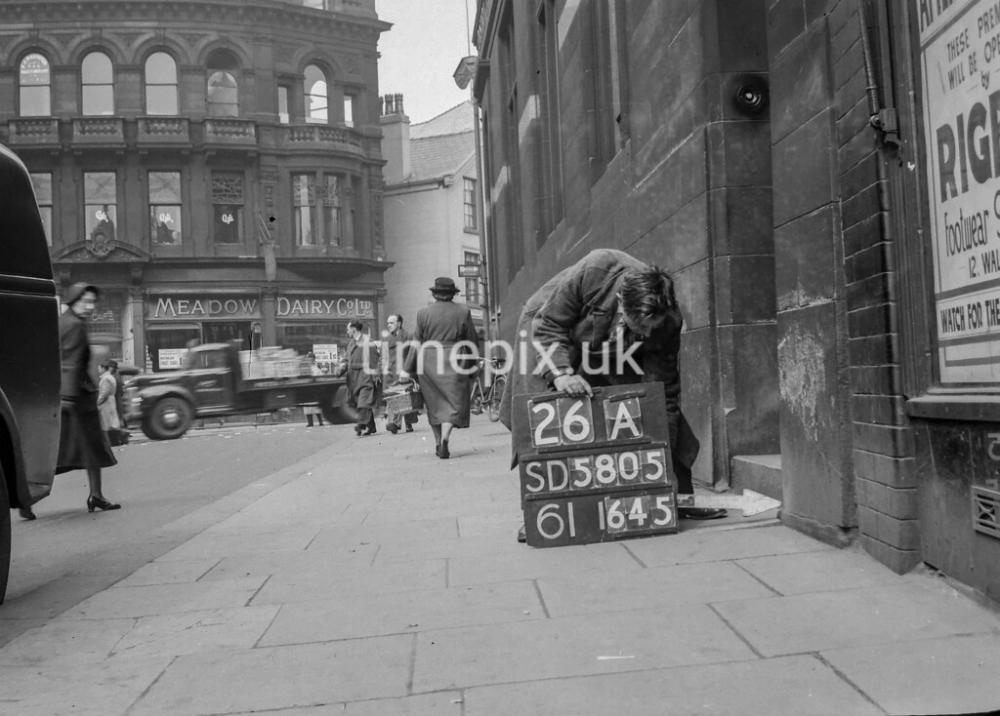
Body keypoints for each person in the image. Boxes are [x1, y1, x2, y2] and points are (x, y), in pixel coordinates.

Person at [500, 249, 725, 529]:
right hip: (546, 325)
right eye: (640, 327)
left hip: (607, 341)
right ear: (621, 302)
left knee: (649, 404)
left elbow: (662, 392)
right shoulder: (596, 269)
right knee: (542, 411)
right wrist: (560, 374)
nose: (645, 335)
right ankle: (540, 510)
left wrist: (663, 464)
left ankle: (679, 497)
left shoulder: (665, 322)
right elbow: (550, 326)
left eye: (649, 331)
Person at [21, 283, 121, 519]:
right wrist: (69, 397)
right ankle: (94, 495)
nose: (89, 306)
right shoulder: (75, 325)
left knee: (69, 452)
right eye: (84, 301)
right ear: (73, 300)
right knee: (83, 449)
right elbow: (71, 363)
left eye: (92, 302)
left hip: (66, 395)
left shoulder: (63, 321)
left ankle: (27, 499)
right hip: (76, 398)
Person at [400, 277, 478, 459]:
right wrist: (473, 364)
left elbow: (416, 343)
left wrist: (406, 369)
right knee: (454, 402)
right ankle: (445, 438)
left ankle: (437, 442)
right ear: (453, 293)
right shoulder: (463, 311)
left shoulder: (423, 313)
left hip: (428, 362)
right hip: (455, 359)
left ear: (434, 294)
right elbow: (472, 339)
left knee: (434, 404)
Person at [334, 321, 380, 436]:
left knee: (363, 401)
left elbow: (374, 360)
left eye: (348, 329)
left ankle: (361, 424)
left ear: (354, 329)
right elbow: (346, 360)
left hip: (365, 376)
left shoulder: (367, 341)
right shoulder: (351, 343)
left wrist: (375, 376)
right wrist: (340, 369)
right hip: (353, 378)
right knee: (359, 402)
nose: (347, 331)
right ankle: (371, 427)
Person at [382, 314, 418, 434]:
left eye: (391, 323)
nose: (389, 325)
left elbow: (414, 355)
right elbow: (384, 357)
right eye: (388, 323)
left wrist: (411, 371)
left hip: (405, 371)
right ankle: (395, 424)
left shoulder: (408, 336)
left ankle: (400, 424)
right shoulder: (386, 339)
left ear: (399, 324)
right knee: (396, 396)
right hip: (392, 373)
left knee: (404, 397)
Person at [97, 359, 121, 438]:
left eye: (99, 368)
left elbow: (104, 393)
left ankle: (110, 441)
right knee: (111, 422)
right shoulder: (109, 377)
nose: (98, 370)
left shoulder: (106, 378)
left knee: (106, 423)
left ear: (104, 369)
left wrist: (98, 402)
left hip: (106, 403)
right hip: (110, 401)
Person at [302, 352, 326, 427]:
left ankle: (320, 421)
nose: (309, 360)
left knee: (316, 406)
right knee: (307, 406)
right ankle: (310, 423)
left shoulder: (316, 367)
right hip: (306, 388)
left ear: (313, 359)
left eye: (311, 358)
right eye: (308, 358)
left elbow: (320, 376)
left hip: (315, 388)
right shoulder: (304, 368)